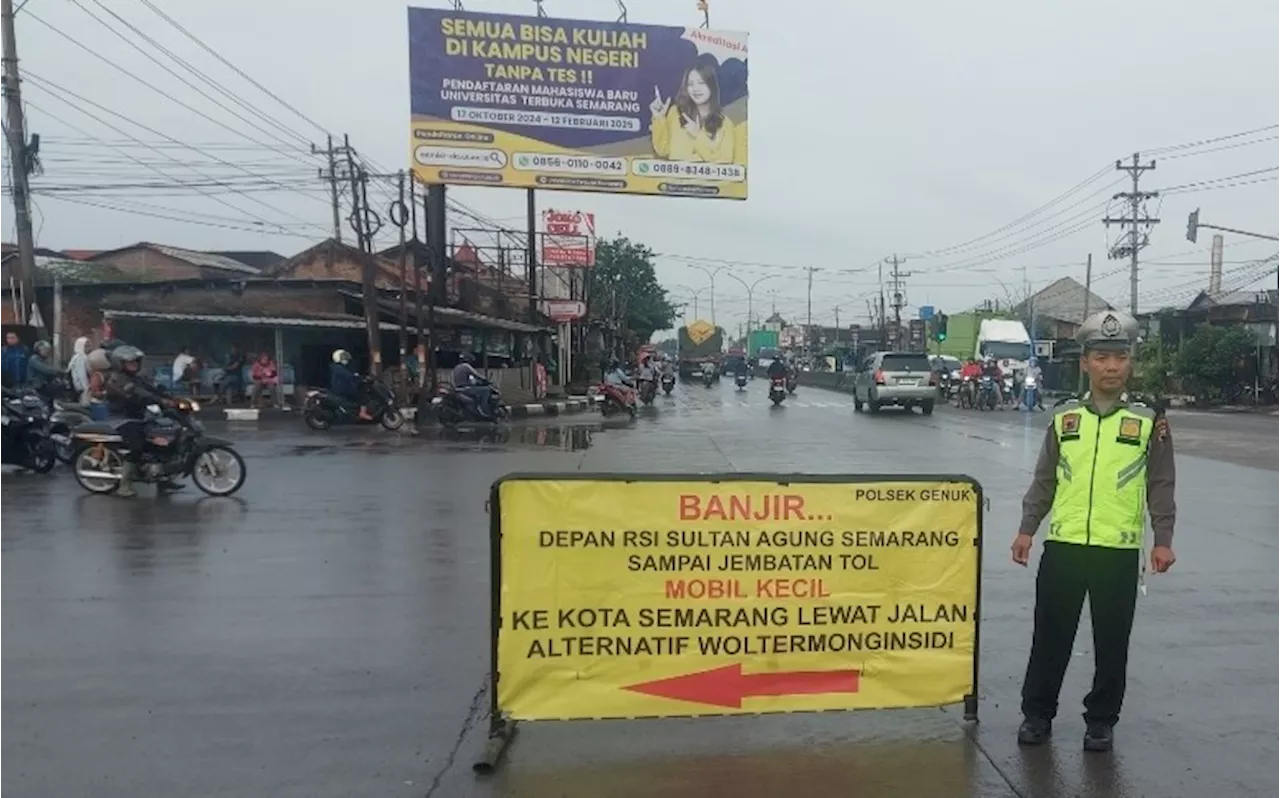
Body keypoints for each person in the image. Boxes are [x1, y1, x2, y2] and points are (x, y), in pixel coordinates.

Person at [1012, 310, 1176, 754]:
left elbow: (1161, 482)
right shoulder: (1064, 416)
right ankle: (1037, 714)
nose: (1111, 367)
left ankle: (1101, 721)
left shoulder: (1148, 419)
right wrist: (1028, 529)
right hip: (1063, 548)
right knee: (1049, 636)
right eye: (1101, 357)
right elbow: (1045, 478)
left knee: (1111, 643)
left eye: (1119, 358)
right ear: (1085, 362)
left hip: (1116, 550)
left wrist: (1163, 539)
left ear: (1130, 364)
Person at [103, 345, 184, 497]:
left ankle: (163, 478)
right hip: (122, 419)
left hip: (140, 416)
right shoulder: (117, 379)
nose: (134, 365)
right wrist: (161, 401)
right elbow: (139, 394)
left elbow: (151, 389)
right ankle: (124, 486)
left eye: (136, 362)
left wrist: (172, 398)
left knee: (164, 438)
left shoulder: (136, 378)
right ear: (119, 363)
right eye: (129, 362)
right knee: (137, 445)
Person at [649, 56, 738, 164]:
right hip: (675, 180)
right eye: (690, 84)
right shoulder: (676, 113)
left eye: (701, 83)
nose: (696, 89)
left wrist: (698, 135)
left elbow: (724, 163)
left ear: (711, 86)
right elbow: (662, 150)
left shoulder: (725, 124)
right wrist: (659, 118)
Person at [329, 349, 372, 421]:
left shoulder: (338, 367)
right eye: (343, 357)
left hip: (342, 388)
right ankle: (362, 412)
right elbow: (349, 376)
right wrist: (358, 378)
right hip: (343, 389)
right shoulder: (338, 368)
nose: (346, 359)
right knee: (363, 395)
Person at [452, 352, 494, 420]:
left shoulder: (456, 367)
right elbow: (476, 375)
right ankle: (484, 408)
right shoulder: (466, 366)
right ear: (468, 360)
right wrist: (485, 379)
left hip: (459, 388)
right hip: (466, 388)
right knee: (486, 390)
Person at [68, 337, 91, 404]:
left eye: (89, 346)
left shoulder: (76, 357)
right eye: (86, 346)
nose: (89, 348)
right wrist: (87, 389)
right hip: (81, 388)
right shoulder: (82, 358)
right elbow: (82, 375)